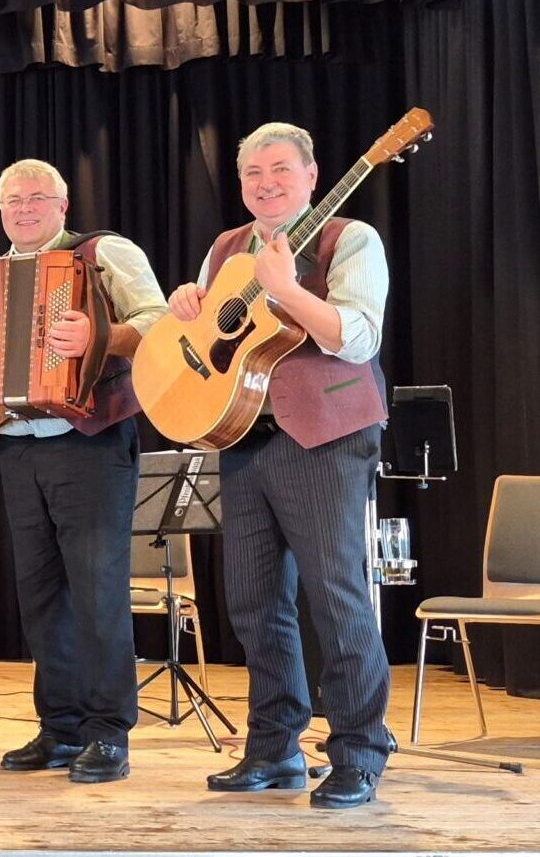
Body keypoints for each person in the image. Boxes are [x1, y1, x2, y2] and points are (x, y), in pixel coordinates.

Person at [169, 123, 392, 810]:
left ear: (312, 175)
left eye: (280, 169)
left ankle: (358, 753)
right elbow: (212, 337)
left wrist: (288, 290)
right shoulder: (225, 248)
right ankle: (273, 749)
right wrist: (187, 307)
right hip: (244, 434)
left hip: (325, 434)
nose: (266, 183)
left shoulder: (349, 238)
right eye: (253, 173)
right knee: (253, 600)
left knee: (335, 596)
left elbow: (358, 338)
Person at [0, 159, 167, 784]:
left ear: (63, 205)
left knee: (98, 592)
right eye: (13, 201)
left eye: (36, 198)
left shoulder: (104, 254)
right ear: (0, 211)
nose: (24, 209)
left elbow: (160, 324)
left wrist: (100, 335)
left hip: (90, 441)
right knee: (42, 594)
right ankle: (60, 727)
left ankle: (108, 732)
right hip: (17, 443)